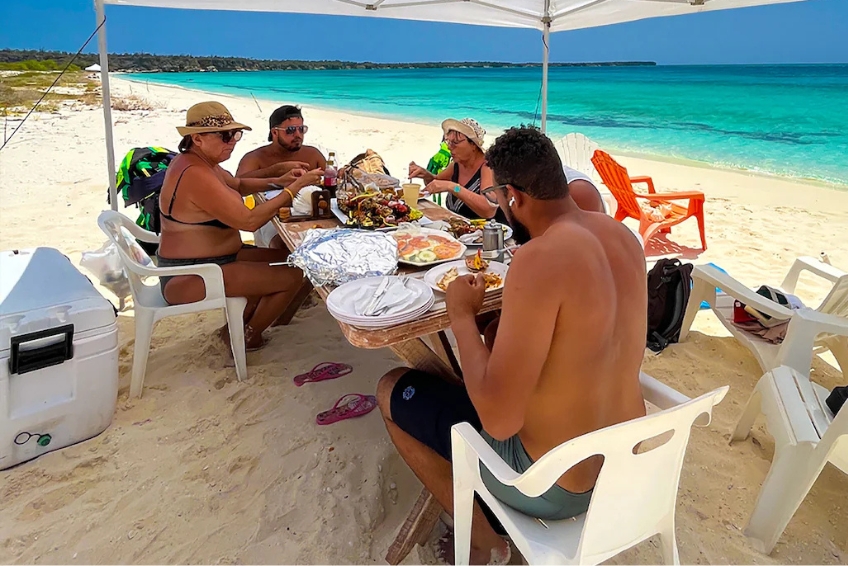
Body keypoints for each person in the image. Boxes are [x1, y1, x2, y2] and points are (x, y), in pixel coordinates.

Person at [377, 126, 647, 564]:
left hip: (555, 487)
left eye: (499, 200)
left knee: (391, 388)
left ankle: (486, 542)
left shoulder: (540, 257)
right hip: (623, 466)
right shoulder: (620, 237)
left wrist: (462, 314)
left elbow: (499, 422)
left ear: (514, 197)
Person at [156, 101, 323, 351]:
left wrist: (278, 180)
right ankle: (248, 337)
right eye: (225, 136)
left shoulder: (200, 162)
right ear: (198, 138)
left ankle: (237, 327)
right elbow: (249, 221)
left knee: (290, 257)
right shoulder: (194, 173)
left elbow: (238, 185)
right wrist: (293, 189)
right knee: (294, 274)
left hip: (213, 259)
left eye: (235, 134)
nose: (233, 141)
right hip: (190, 275)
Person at [237, 105, 327, 249]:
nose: (298, 135)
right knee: (283, 245)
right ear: (274, 132)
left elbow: (330, 180)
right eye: (290, 130)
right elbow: (238, 185)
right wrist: (275, 170)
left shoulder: (312, 154)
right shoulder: (255, 158)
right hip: (270, 218)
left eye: (301, 129)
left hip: (312, 214)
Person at [408, 118, 499, 221]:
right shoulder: (457, 164)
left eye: (455, 142)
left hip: (488, 233)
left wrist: (453, 187)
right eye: (448, 142)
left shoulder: (487, 167)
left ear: (473, 144)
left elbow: (488, 209)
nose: (450, 147)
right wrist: (425, 174)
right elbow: (435, 184)